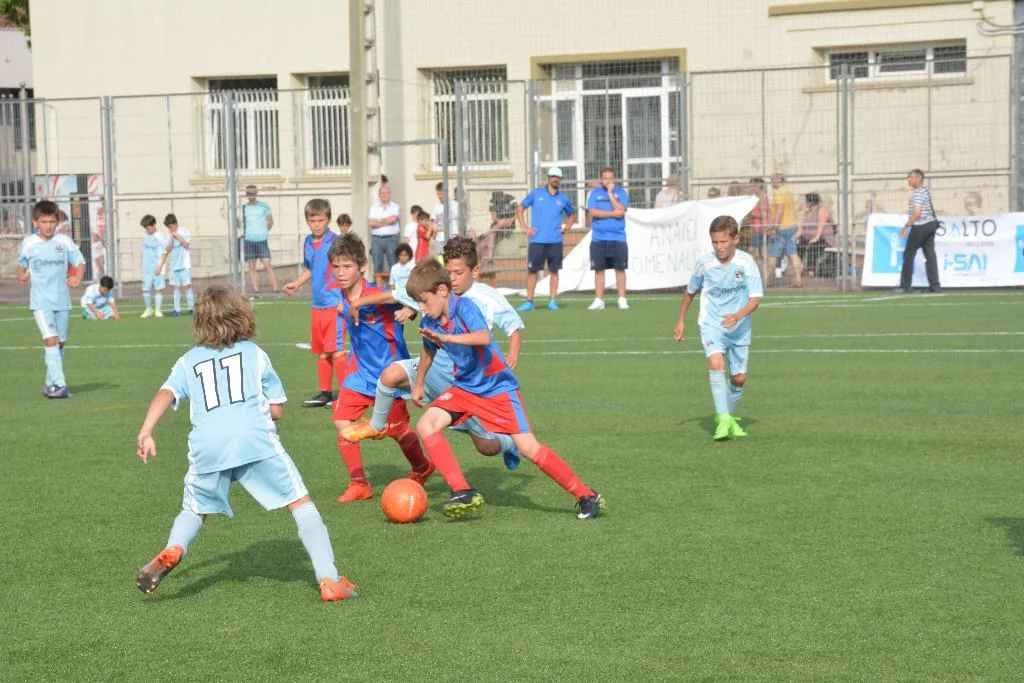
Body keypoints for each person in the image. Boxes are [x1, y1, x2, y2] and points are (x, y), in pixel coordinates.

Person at [133, 285, 357, 603]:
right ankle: (330, 580)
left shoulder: (188, 361)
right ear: (243, 316)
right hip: (254, 441)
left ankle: (175, 547)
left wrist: (146, 431)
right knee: (300, 503)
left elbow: (166, 393)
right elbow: (277, 410)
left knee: (195, 509)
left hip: (208, 446)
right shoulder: (254, 354)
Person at [406, 258, 604, 520]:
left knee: (529, 448)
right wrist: (419, 383)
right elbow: (428, 350)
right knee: (426, 425)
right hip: (465, 388)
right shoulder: (430, 321)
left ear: (442, 291)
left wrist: (447, 337)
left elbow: (483, 337)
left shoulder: (465, 307)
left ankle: (586, 495)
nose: (421, 307)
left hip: (496, 388)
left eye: (424, 301)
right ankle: (462, 491)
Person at [341, 235, 524, 471]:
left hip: (464, 382)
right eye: (449, 272)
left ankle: (511, 444)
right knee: (390, 375)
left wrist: (513, 354)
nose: (453, 278)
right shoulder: (436, 290)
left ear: (475, 270)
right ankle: (377, 425)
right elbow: (394, 295)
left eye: (459, 272)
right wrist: (357, 303)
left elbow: (513, 326)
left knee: (486, 446)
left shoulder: (485, 297)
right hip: (430, 368)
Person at [328, 233, 434, 503]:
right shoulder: (341, 294)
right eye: (336, 267)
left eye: (347, 266)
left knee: (397, 431)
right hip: (359, 374)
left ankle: (422, 467)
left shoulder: (377, 295)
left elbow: (418, 298)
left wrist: (411, 310)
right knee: (342, 422)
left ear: (363, 266)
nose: (340, 272)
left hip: (389, 376)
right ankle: (359, 484)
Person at [673, 216, 763, 441]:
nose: (719, 247)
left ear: (736, 239)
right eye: (715, 242)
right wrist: (681, 320)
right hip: (712, 324)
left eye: (723, 242)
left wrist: (738, 315)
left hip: (740, 328)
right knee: (716, 364)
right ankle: (723, 419)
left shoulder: (746, 263)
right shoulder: (705, 264)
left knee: (739, 379)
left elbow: (755, 299)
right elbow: (690, 292)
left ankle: (728, 417)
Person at [16, 200, 86, 399]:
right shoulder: (29, 243)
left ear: (57, 222)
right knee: (51, 340)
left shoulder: (64, 242)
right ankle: (61, 385)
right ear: (35, 222)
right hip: (40, 302)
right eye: (44, 222)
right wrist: (21, 274)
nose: (48, 226)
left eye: (52, 222)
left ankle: (50, 384)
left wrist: (77, 277)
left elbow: (80, 262)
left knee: (60, 344)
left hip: (62, 301)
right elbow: (21, 263)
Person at [282, 199, 347, 409]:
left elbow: (348, 270)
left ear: (328, 219)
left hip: (334, 304)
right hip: (317, 306)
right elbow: (310, 269)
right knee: (322, 351)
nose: (317, 225)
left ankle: (346, 395)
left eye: (321, 220)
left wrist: (345, 298)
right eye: (313, 221)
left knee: (336, 350)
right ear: (307, 221)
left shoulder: (337, 242)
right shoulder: (308, 242)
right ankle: (325, 393)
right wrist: (296, 283)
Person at [515, 167, 575, 312]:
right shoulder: (536, 194)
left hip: (555, 241)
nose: (555, 179)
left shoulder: (563, 198)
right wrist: (524, 227)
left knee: (554, 271)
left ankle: (552, 301)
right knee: (532, 271)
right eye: (553, 176)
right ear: (548, 178)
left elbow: (572, 215)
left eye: (558, 177)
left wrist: (567, 227)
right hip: (537, 241)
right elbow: (520, 208)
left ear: (560, 179)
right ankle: (529, 302)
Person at [585, 167, 630, 310]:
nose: (608, 181)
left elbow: (621, 211)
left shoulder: (621, 193)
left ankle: (622, 299)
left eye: (611, 178)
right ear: (601, 179)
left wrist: (610, 194)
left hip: (618, 238)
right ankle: (599, 300)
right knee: (599, 269)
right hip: (598, 238)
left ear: (614, 179)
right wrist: (612, 213)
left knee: (620, 269)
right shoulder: (594, 193)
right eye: (605, 178)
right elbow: (592, 212)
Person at [898, 168, 941, 294]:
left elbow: (917, 213)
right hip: (930, 225)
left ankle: (905, 286)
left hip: (920, 226)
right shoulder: (925, 191)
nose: (908, 180)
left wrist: (907, 226)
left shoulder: (917, 193)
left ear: (918, 178)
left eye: (910, 177)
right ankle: (935, 285)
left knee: (908, 255)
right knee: (930, 256)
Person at [241, 185, 279, 297]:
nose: (251, 195)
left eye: (253, 193)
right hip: (249, 240)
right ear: (246, 194)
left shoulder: (264, 206)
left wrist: (263, 232)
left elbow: (270, 222)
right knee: (252, 266)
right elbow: (241, 222)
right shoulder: (243, 208)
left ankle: (276, 289)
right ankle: (256, 291)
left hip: (262, 239)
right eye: (249, 193)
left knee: (267, 264)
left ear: (256, 193)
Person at [768, 173, 803, 288]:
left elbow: (780, 211)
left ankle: (768, 280)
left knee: (773, 254)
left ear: (779, 180)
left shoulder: (778, 192)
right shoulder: (788, 192)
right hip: (792, 226)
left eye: (772, 179)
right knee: (792, 253)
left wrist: (774, 227)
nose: (771, 182)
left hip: (781, 227)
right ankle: (798, 279)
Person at [156, 214, 194, 317]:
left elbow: (186, 244)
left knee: (187, 286)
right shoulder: (170, 235)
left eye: (170, 227)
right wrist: (171, 239)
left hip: (184, 265)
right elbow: (167, 250)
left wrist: (177, 235)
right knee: (176, 287)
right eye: (168, 228)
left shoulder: (184, 231)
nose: (169, 229)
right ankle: (177, 310)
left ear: (174, 224)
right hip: (174, 266)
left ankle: (191, 308)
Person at [368, 184, 401, 286]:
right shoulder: (374, 208)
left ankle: (395, 287)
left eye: (386, 193)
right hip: (377, 239)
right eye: (382, 193)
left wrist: (378, 221)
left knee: (393, 264)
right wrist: (386, 221)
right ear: (379, 195)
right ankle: (378, 288)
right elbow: (370, 223)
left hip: (391, 238)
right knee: (377, 264)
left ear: (390, 194)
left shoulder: (395, 206)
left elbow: (393, 219)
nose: (384, 195)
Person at [797, 193, 836, 278]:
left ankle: (811, 271)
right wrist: (793, 238)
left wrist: (815, 238)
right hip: (808, 238)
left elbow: (821, 226)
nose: (805, 203)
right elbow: (801, 228)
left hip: (824, 238)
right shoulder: (807, 213)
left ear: (810, 202)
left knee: (812, 247)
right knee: (798, 247)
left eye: (806, 201)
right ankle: (799, 268)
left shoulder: (822, 210)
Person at [139, 214, 167, 318]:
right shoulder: (145, 235)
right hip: (147, 268)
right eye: (145, 228)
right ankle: (148, 309)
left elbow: (165, 253)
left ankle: (158, 310)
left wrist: (160, 266)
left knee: (158, 289)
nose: (147, 230)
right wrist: (141, 261)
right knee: (146, 289)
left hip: (157, 267)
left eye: (148, 228)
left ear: (154, 225)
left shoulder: (161, 236)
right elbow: (143, 249)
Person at [479, 191, 517, 266]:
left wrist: (510, 220)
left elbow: (517, 213)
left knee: (491, 232)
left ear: (503, 195)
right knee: (491, 236)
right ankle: (489, 260)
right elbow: (494, 217)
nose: (498, 200)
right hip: (498, 224)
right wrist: (500, 222)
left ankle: (485, 234)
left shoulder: (511, 198)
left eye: (499, 199)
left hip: (510, 224)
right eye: (497, 199)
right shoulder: (492, 201)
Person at [741, 178, 769, 262]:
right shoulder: (754, 197)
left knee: (758, 252)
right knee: (755, 252)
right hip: (754, 229)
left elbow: (763, 215)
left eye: (753, 186)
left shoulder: (762, 197)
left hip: (760, 228)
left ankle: (760, 268)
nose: (751, 188)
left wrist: (751, 214)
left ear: (758, 186)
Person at [430, 182, 459, 256]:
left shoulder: (455, 205)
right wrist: (445, 228)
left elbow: (461, 221)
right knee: (440, 261)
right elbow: (434, 228)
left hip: (453, 239)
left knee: (453, 259)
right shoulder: (436, 208)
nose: (440, 196)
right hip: (440, 240)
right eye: (438, 194)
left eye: (441, 193)